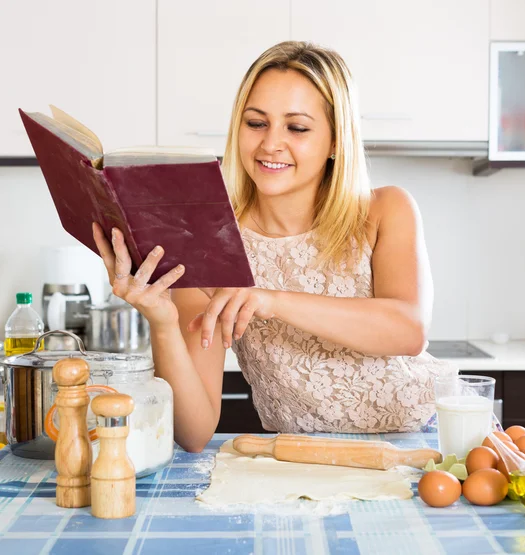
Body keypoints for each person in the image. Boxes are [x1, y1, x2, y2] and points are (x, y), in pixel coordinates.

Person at [92, 41, 457, 452]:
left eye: (297, 128)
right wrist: (161, 319)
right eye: (256, 123)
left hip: (425, 441)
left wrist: (271, 300)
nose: (270, 144)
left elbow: (408, 331)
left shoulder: (385, 209)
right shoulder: (207, 241)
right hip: (302, 458)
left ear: (337, 141)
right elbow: (194, 433)